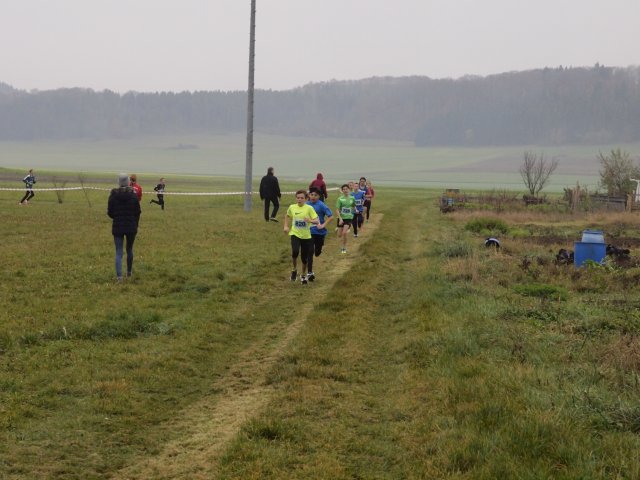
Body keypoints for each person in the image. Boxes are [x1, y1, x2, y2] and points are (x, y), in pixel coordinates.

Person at [108, 173, 141, 281]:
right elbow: (137, 212)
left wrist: (117, 217)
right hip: (131, 226)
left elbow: (110, 212)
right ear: (128, 182)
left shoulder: (113, 195)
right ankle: (129, 273)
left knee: (119, 252)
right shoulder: (134, 195)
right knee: (129, 249)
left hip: (118, 227)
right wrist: (135, 223)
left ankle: (119, 277)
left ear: (118, 182)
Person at [284, 189, 319, 284]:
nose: (299, 199)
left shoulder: (309, 208)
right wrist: (286, 226)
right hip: (295, 233)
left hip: (306, 236)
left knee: (304, 258)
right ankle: (294, 269)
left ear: (306, 199)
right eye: (298, 198)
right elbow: (287, 216)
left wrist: (310, 220)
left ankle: (303, 275)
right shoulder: (292, 207)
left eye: (302, 198)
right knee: (295, 252)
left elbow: (317, 221)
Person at [306, 187, 333, 281]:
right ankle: (309, 272)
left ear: (319, 196)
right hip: (309, 231)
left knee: (317, 251)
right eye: (311, 194)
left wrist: (323, 225)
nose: (313, 197)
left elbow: (330, 216)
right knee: (310, 251)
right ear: (309, 195)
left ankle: (319, 249)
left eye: (315, 195)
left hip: (319, 232)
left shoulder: (321, 205)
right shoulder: (306, 204)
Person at [336, 184, 356, 254]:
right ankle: (338, 229)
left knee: (344, 233)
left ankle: (344, 248)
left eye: (346, 189)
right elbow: (337, 210)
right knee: (339, 235)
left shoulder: (352, 198)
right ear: (342, 190)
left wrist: (354, 211)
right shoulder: (340, 199)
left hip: (349, 218)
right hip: (341, 218)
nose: (345, 190)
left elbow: (353, 206)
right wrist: (340, 219)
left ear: (349, 190)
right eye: (344, 189)